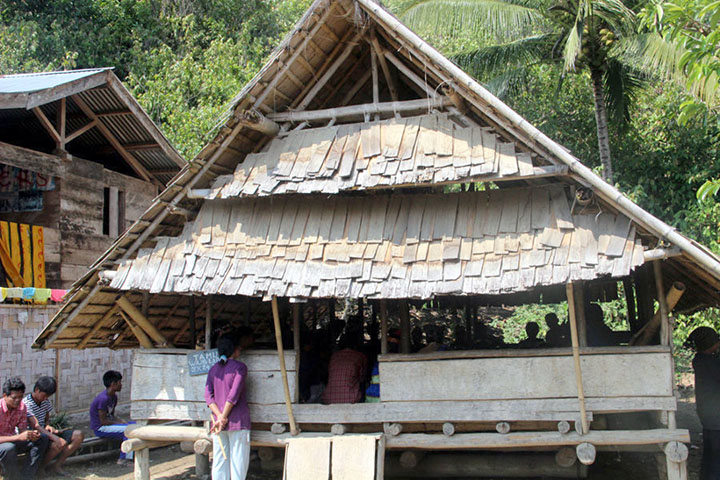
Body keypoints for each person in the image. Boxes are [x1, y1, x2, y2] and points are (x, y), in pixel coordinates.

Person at [205, 331, 251, 480]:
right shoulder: (240, 368)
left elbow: (208, 396)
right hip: (237, 422)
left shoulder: (213, 369)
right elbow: (233, 395)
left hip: (218, 424)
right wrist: (223, 417)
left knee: (219, 463)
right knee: (238, 465)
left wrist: (218, 417)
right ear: (234, 348)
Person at [23, 376, 83, 475]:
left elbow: (46, 419)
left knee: (78, 435)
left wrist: (48, 426)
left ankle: (57, 465)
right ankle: (40, 467)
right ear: (37, 390)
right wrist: (55, 438)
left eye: (48, 396)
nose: (46, 398)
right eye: (44, 395)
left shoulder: (45, 401)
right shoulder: (27, 404)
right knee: (58, 443)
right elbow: (36, 426)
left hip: (45, 432)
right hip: (35, 435)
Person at [687, 326, 720, 479]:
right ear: (710, 344)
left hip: (707, 414)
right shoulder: (712, 363)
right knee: (716, 457)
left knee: (710, 453)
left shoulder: (700, 360)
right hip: (716, 416)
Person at [0, 377, 49, 480]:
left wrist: (31, 434)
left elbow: (22, 431)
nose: (18, 400)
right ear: (5, 396)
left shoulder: (21, 407)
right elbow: (17, 437)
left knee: (42, 438)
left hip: (12, 441)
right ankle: (13, 477)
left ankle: (27, 476)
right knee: (8, 448)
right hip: (4, 446)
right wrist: (18, 437)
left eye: (20, 397)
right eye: (14, 397)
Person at [89, 370, 133, 465]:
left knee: (135, 426)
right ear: (113, 384)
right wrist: (119, 423)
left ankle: (133, 452)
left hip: (107, 425)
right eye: (119, 382)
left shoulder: (113, 397)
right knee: (129, 431)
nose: (121, 385)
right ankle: (124, 459)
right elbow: (103, 421)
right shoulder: (103, 399)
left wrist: (120, 420)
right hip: (100, 428)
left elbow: (111, 415)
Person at [322, 335, 368, 404]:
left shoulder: (334, 356)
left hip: (329, 399)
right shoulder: (360, 356)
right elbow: (362, 378)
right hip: (351, 399)